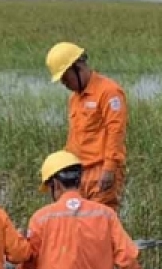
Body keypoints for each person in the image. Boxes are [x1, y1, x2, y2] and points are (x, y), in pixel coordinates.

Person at [17, 150, 144, 269]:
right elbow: (127, 261)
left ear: (54, 184)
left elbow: (27, 266)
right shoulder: (106, 214)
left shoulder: (40, 219)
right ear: (79, 180)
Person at [45, 41, 129, 211]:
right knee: (76, 224)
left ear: (77, 67)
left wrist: (109, 169)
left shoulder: (109, 92)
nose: (64, 84)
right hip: (77, 174)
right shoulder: (74, 99)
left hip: (101, 172)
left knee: (99, 224)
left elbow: (116, 132)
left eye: (65, 78)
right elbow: (74, 138)